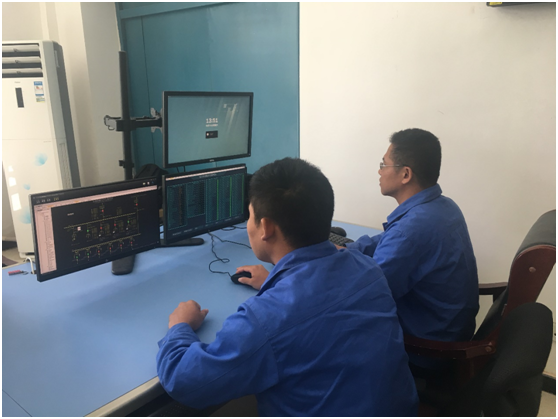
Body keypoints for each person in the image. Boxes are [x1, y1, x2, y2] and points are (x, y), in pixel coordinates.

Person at [156, 157, 418, 416]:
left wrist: (180, 327)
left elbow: (184, 382)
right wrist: (274, 283)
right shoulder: (368, 269)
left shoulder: (265, 319)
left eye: (250, 216)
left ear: (265, 227)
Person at [344, 128, 479, 371]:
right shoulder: (442, 206)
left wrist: (302, 275)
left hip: (427, 348)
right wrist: (346, 249)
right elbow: (386, 240)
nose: (379, 171)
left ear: (405, 174)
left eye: (383, 164)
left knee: (331, 323)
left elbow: (367, 294)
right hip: (449, 328)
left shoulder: (413, 229)